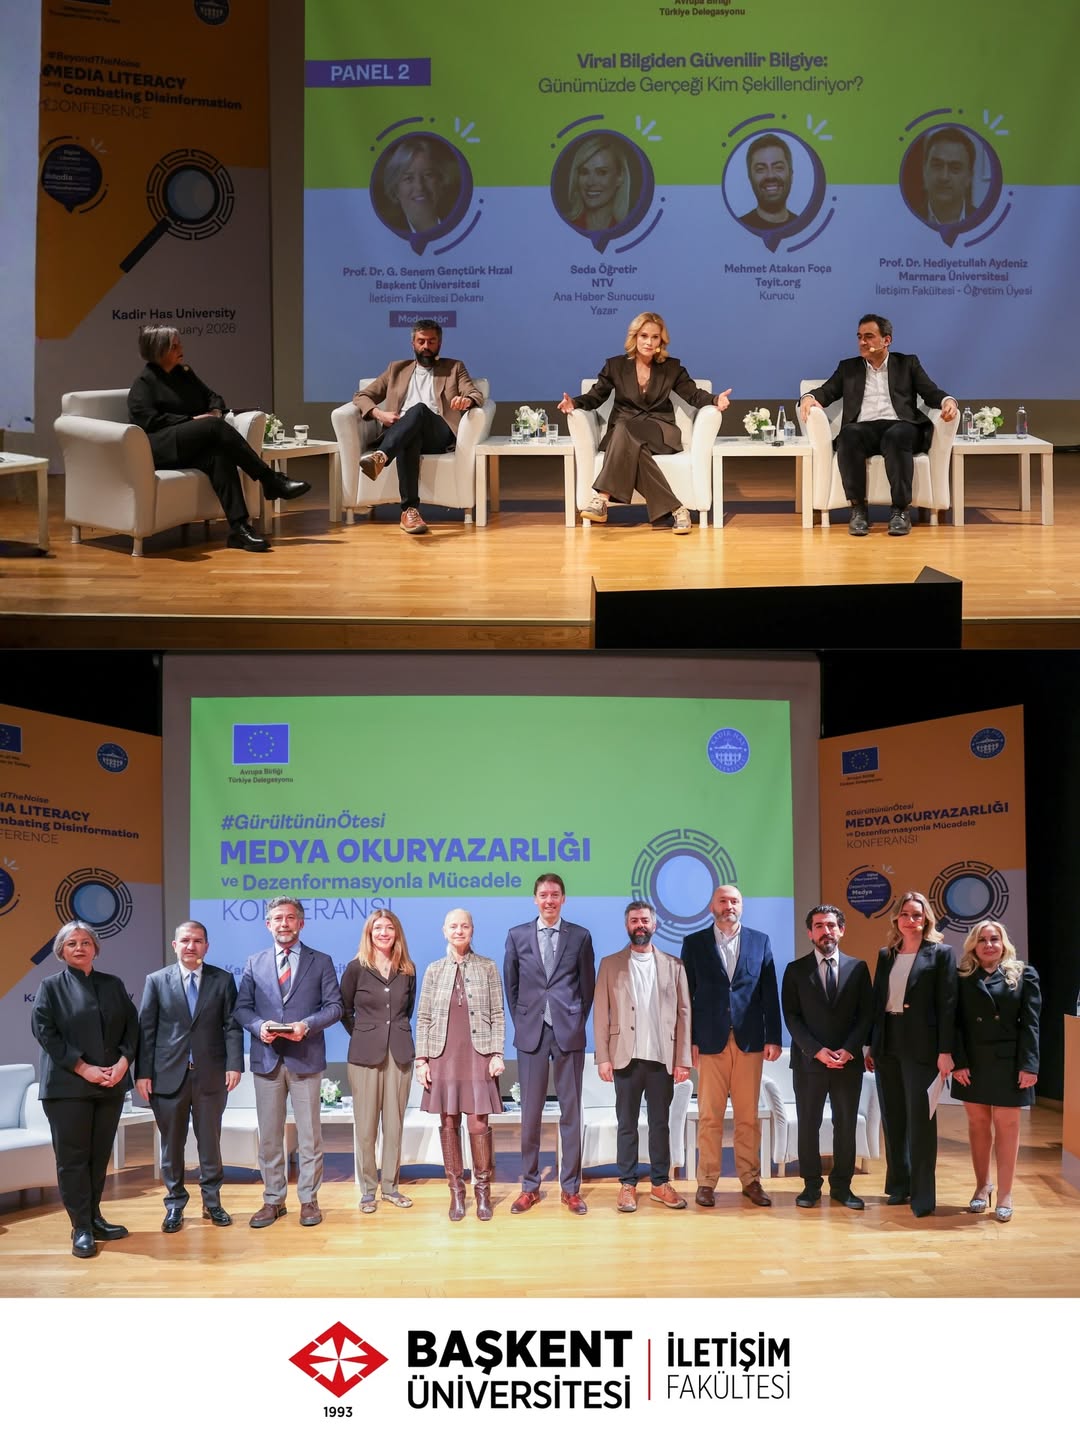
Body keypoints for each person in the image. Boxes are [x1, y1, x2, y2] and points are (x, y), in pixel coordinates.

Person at [127, 324, 309, 554]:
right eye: (174, 346)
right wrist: (192, 420)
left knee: (219, 456)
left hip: (187, 446)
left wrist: (214, 411)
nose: (181, 348)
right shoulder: (144, 384)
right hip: (161, 448)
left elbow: (213, 397)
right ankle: (270, 480)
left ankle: (239, 529)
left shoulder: (184, 373)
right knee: (213, 426)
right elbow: (148, 421)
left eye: (179, 343)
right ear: (159, 350)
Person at [558, 312, 731, 533]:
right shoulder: (615, 366)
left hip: (659, 430)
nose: (649, 342)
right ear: (635, 337)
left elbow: (694, 395)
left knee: (623, 429)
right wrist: (574, 403)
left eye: (655, 337)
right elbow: (595, 396)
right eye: (644, 336)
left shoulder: (672, 368)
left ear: (661, 341)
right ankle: (678, 509)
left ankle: (602, 498)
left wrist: (716, 400)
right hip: (623, 435)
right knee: (630, 442)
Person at [30, 922, 138, 1259]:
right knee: (73, 1159)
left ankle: (94, 1217)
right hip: (68, 1087)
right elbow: (45, 1033)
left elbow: (132, 1028)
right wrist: (83, 1068)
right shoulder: (50, 987)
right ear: (61, 951)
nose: (80, 948)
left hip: (110, 1084)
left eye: (86, 942)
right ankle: (80, 1227)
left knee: (99, 1156)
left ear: (95, 948)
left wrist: (123, 1063)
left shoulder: (112, 984)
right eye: (72, 943)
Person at [233, 896, 342, 1229]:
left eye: (290, 918)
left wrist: (306, 1025)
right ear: (268, 924)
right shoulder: (254, 962)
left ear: (301, 923)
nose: (284, 923)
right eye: (278, 918)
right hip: (267, 1060)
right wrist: (259, 1027)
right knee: (269, 1137)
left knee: (310, 1137)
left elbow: (335, 1007)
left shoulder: (321, 961)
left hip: (305, 1058)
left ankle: (309, 1200)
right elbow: (242, 1009)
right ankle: (273, 1200)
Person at [798, 313, 958, 537]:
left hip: (902, 426)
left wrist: (948, 401)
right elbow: (827, 391)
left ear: (886, 340)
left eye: (869, 336)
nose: (862, 342)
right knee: (849, 434)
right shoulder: (849, 367)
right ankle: (858, 510)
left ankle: (900, 510)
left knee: (897, 435)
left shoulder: (907, 363)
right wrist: (808, 397)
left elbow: (930, 391)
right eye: (859, 337)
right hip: (865, 429)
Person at [135, 919, 244, 1232]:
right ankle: (174, 1205)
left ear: (206, 946)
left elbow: (231, 1026)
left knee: (210, 1143)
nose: (191, 946)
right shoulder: (156, 980)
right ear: (175, 945)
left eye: (197, 941)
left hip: (211, 1075)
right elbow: (147, 1030)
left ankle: (212, 1202)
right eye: (185, 941)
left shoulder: (222, 980)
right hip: (167, 1076)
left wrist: (234, 1064)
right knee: (172, 1146)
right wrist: (142, 1073)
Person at [681, 884, 782, 1207]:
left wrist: (774, 1036)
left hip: (750, 1041)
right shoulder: (694, 943)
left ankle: (750, 1180)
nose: (729, 906)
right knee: (710, 1116)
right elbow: (686, 997)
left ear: (742, 905)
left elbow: (769, 992)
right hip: (709, 1043)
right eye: (723, 901)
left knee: (748, 1117)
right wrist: (688, 1041)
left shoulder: (759, 941)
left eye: (735, 901)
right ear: (712, 906)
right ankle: (706, 1182)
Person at [504, 872, 595, 1215]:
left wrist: (573, 1019)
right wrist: (525, 1020)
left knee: (571, 1111)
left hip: (568, 1032)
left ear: (563, 899)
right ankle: (530, 1187)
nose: (549, 900)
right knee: (530, 1112)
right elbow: (512, 986)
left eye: (555, 894)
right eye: (543, 895)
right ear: (535, 899)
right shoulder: (517, 935)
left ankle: (570, 1189)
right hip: (532, 1034)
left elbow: (587, 987)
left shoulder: (580, 936)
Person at [593, 901, 691, 1212]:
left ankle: (661, 1183)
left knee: (661, 1124)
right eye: (634, 920)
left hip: (662, 1058)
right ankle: (627, 1185)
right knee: (627, 1124)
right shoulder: (610, 964)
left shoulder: (674, 965)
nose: (640, 925)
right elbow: (601, 1013)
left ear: (654, 925)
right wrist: (603, 1057)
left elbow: (684, 1013)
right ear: (627, 926)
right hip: (625, 1057)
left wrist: (683, 1059)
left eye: (645, 920)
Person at [866, 890, 957, 1217]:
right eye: (905, 914)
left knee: (920, 1121)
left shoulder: (941, 953)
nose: (910, 920)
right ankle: (899, 1185)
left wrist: (945, 1050)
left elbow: (948, 1005)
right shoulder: (886, 954)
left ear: (926, 919)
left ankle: (922, 1195)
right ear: (896, 919)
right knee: (894, 1119)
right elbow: (878, 1002)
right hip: (887, 1043)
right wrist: (870, 1044)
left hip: (922, 1047)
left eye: (917, 915)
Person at [352, 319, 484, 535]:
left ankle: (381, 456)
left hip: (437, 434)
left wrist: (466, 400)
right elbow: (362, 396)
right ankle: (409, 512)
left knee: (419, 410)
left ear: (439, 344)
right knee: (409, 438)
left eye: (431, 341)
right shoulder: (396, 369)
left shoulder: (454, 367)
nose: (426, 346)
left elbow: (474, 393)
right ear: (413, 343)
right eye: (421, 341)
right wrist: (379, 414)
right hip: (402, 433)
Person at [781, 904, 873, 1209]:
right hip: (810, 1062)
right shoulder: (795, 970)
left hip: (848, 1063)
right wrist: (816, 1051)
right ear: (810, 933)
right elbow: (792, 1017)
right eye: (819, 926)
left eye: (831, 925)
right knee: (808, 1125)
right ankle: (810, 1187)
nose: (826, 931)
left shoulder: (858, 968)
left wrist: (849, 1049)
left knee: (845, 1125)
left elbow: (866, 1014)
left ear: (841, 930)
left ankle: (842, 1187)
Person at [415, 908, 505, 1221]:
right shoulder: (434, 970)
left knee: (478, 1124)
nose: (459, 931)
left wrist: (497, 1053)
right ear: (444, 931)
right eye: (453, 926)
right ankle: (456, 1192)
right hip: (442, 1056)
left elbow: (498, 1014)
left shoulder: (488, 967)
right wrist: (421, 1059)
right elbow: (423, 1017)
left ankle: (483, 1191)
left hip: (478, 1055)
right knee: (449, 1122)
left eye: (464, 926)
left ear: (472, 930)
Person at [952, 920, 1039, 1222]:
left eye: (994, 939)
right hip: (972, 1063)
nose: (989, 945)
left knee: (1007, 1126)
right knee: (978, 1125)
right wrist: (959, 1061)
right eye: (982, 940)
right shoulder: (962, 977)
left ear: (1004, 944)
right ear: (973, 946)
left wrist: (1029, 1065)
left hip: (1009, 1062)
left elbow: (1031, 1024)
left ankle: (1005, 1194)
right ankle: (982, 1186)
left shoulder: (1024, 974)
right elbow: (955, 1024)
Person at [339, 908, 416, 1214]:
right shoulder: (355, 968)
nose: (384, 933)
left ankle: (391, 1187)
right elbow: (344, 1009)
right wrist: (364, 1033)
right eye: (378, 928)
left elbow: (407, 1010)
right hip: (364, 1056)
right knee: (366, 1127)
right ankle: (368, 1190)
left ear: (397, 933)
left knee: (394, 1126)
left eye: (389, 928)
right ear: (369, 934)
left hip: (399, 1053)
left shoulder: (407, 969)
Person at [381, 136, 459, 234]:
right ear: (396, 188)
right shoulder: (385, 233)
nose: (420, 187)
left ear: (440, 181)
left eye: (428, 175)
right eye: (408, 178)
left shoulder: (459, 226)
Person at [564, 134, 631, 231]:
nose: (590, 182)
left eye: (602, 172)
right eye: (584, 172)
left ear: (620, 177)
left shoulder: (632, 229)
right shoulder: (561, 225)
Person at [738, 133, 799, 230]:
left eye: (778, 167)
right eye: (760, 169)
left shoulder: (806, 227)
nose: (770, 175)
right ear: (750, 177)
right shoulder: (737, 228)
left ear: (791, 174)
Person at [919, 127, 976, 227]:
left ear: (969, 177)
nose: (944, 177)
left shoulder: (985, 221)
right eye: (937, 165)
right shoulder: (905, 219)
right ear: (924, 171)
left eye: (955, 168)